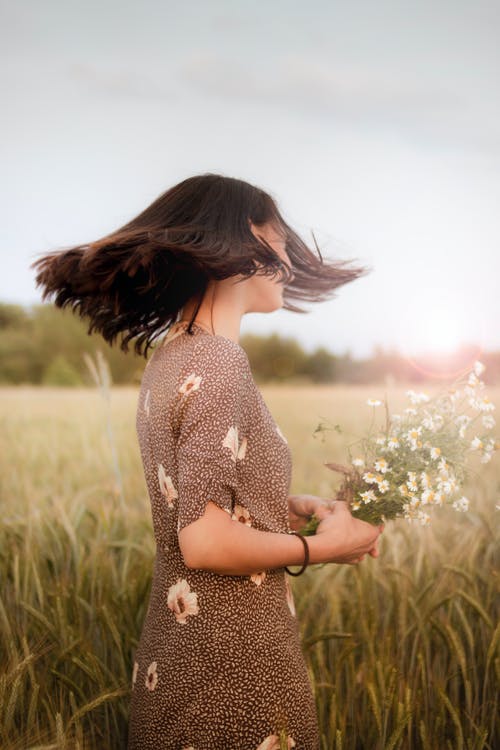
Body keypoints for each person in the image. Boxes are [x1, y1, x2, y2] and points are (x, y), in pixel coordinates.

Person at [31, 173, 383, 749]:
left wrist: (287, 510)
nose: (290, 260)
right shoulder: (220, 363)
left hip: (178, 653)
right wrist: (326, 547)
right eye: (278, 237)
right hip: (233, 667)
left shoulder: (173, 356)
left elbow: (196, 501)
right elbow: (204, 540)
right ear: (243, 239)